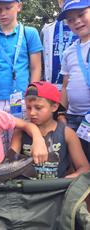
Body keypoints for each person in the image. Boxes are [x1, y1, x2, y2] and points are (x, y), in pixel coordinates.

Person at [11, 81, 90, 179]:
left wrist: (67, 180)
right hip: (26, 190)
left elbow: (84, 168)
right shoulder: (20, 132)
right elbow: (10, 164)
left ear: (54, 107)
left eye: (38, 108)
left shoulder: (67, 133)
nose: (32, 113)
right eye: (28, 108)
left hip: (56, 190)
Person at [0, 0, 43, 112]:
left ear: (19, 6)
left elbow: (36, 67)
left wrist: (31, 96)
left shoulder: (30, 33)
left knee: (20, 129)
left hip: (22, 98)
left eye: (8, 8)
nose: (3, 13)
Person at [58, 0, 90, 162]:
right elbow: (65, 85)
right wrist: (61, 113)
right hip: (73, 118)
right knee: (75, 162)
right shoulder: (69, 52)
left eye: (81, 14)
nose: (77, 21)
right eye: (70, 19)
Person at [41, 0, 78, 91]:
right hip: (52, 87)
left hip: (77, 87)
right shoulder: (47, 30)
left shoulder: (83, 28)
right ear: (60, 2)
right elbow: (41, 63)